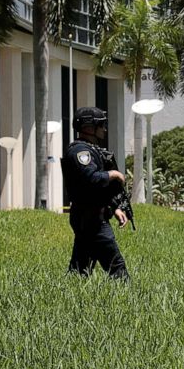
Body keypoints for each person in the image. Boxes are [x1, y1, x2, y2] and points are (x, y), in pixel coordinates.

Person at [61, 106, 130, 280]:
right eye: (101, 125)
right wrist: (113, 174)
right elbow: (91, 178)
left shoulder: (89, 149)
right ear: (89, 127)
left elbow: (94, 191)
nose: (104, 129)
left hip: (90, 216)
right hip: (91, 219)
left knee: (80, 270)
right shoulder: (80, 152)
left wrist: (114, 208)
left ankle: (69, 298)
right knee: (117, 269)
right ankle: (126, 301)